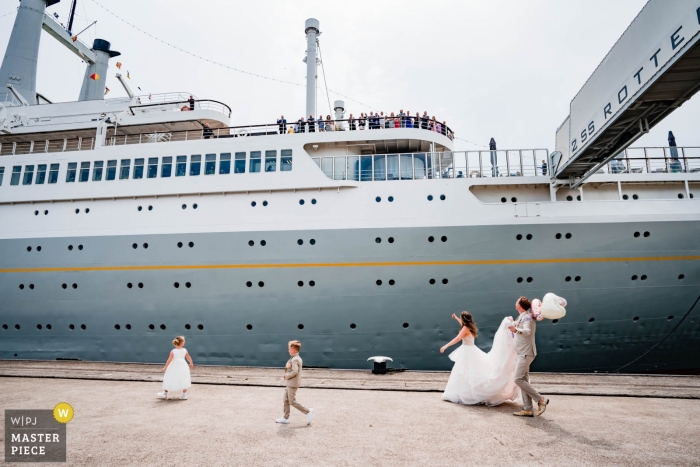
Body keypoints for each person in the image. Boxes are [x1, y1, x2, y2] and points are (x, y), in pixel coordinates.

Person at [441, 312, 519, 406]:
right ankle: (464, 393)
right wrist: (456, 318)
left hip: (467, 352)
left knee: (464, 372)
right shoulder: (469, 326)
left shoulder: (465, 328)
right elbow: (462, 324)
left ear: (464, 320)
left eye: (461, 319)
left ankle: (466, 394)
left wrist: (445, 346)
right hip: (471, 350)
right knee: (467, 373)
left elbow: (457, 339)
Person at [508, 297, 549, 417]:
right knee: (523, 380)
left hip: (526, 353)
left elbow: (527, 331)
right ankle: (527, 409)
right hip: (522, 352)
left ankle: (540, 399)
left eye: (517, 301)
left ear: (520, 305)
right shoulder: (522, 316)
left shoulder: (527, 317)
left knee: (518, 379)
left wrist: (515, 329)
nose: (515, 302)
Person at [276, 340, 314, 425]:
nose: (288, 350)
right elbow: (292, 369)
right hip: (290, 383)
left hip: (292, 384)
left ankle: (308, 411)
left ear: (293, 350)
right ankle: (286, 418)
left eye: (289, 348)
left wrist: (286, 375)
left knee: (292, 401)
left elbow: (295, 371)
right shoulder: (294, 358)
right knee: (285, 400)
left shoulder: (295, 359)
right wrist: (288, 367)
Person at [157, 336, 194, 400]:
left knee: (170, 377)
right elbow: (188, 357)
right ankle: (184, 394)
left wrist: (165, 367)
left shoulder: (173, 351)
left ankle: (165, 393)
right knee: (183, 378)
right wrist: (191, 363)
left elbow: (169, 360)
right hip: (183, 365)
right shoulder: (184, 350)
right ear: (182, 343)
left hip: (174, 365)